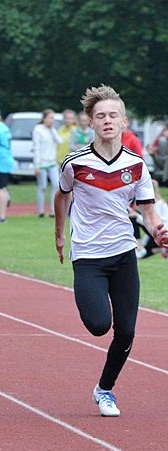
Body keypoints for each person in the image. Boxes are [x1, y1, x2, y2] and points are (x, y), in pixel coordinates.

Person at [54, 84, 168, 417]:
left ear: (124, 121)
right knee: (98, 324)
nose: (107, 120)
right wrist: (59, 234)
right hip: (88, 255)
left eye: (113, 115)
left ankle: (104, 389)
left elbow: (148, 212)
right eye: (101, 115)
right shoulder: (75, 163)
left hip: (123, 254)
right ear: (90, 121)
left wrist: (158, 232)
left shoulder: (137, 165)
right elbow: (62, 196)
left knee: (127, 330)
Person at [32, 109, 62, 217]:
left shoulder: (53, 130)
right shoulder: (38, 130)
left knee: (56, 185)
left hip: (52, 162)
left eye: (53, 118)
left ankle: (53, 210)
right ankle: (40, 210)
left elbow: (59, 141)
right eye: (50, 118)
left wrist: (52, 130)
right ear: (44, 118)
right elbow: (36, 147)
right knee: (43, 186)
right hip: (42, 163)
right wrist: (37, 165)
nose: (51, 120)